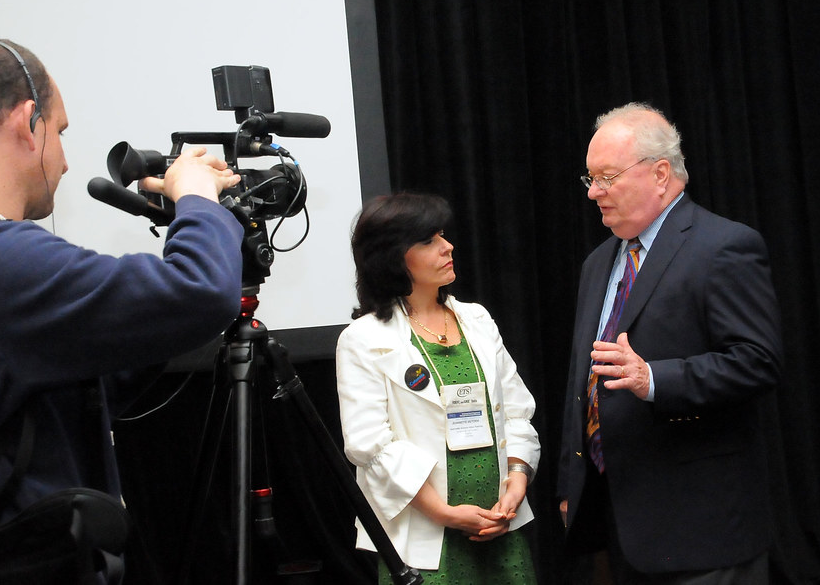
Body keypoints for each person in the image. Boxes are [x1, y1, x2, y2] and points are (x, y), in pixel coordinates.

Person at [0, 39, 244, 578]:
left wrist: (144, 324)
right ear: (28, 122)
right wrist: (196, 198)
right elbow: (201, 291)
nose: (66, 160)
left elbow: (45, 395)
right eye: (61, 132)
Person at [557, 102, 783, 584]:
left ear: (660, 174)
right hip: (619, 522)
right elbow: (583, 382)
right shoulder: (598, 263)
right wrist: (571, 483)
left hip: (703, 529)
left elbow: (757, 361)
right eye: (590, 179)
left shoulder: (724, 246)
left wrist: (653, 378)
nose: (594, 192)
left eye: (608, 177)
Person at [335, 192, 540, 583]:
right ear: (393, 256)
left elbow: (516, 411)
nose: (448, 247)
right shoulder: (362, 338)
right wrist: (445, 513)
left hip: (498, 525)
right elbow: (369, 445)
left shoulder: (476, 318)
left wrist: (516, 484)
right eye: (429, 240)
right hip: (427, 537)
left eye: (443, 235)